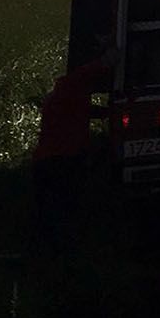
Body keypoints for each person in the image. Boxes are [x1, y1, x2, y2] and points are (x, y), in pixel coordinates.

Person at [32, 47, 115, 249]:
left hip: (48, 159)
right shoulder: (73, 87)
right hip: (63, 158)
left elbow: (83, 111)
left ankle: (52, 248)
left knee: (53, 207)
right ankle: (63, 246)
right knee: (65, 202)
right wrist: (108, 60)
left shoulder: (61, 98)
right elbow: (86, 76)